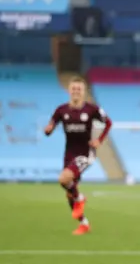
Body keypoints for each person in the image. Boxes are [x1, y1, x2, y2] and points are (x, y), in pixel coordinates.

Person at [44, 76, 112, 235]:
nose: (76, 91)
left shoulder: (92, 109)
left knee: (63, 179)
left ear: (84, 92)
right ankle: (84, 223)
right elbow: (51, 125)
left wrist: (99, 140)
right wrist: (48, 130)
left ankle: (80, 198)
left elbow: (108, 122)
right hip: (69, 154)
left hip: (85, 153)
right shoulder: (61, 110)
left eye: (79, 89)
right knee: (69, 194)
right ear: (69, 91)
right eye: (73, 89)